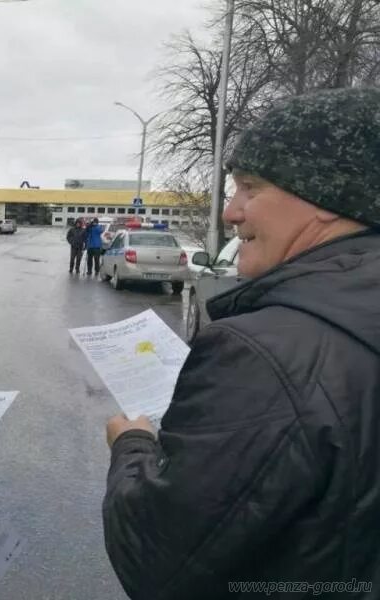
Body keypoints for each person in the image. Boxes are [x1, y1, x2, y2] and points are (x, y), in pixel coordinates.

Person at [102, 87, 380, 599]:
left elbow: (156, 559)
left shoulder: (265, 354)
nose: (231, 212)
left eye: (250, 188)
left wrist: (131, 445)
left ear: (325, 198)